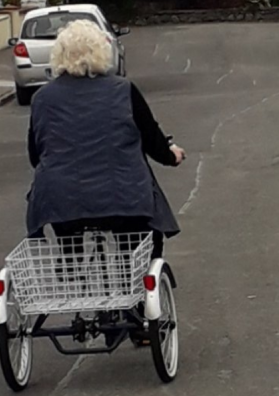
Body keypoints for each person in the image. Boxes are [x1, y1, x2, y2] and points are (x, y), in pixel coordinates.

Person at [26, 19, 185, 259]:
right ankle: (135, 281)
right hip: (123, 196)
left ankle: (72, 268)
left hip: (62, 200)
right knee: (141, 242)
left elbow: (35, 155)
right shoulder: (123, 89)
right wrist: (171, 155)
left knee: (68, 234)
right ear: (102, 52)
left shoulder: (41, 98)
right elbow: (151, 138)